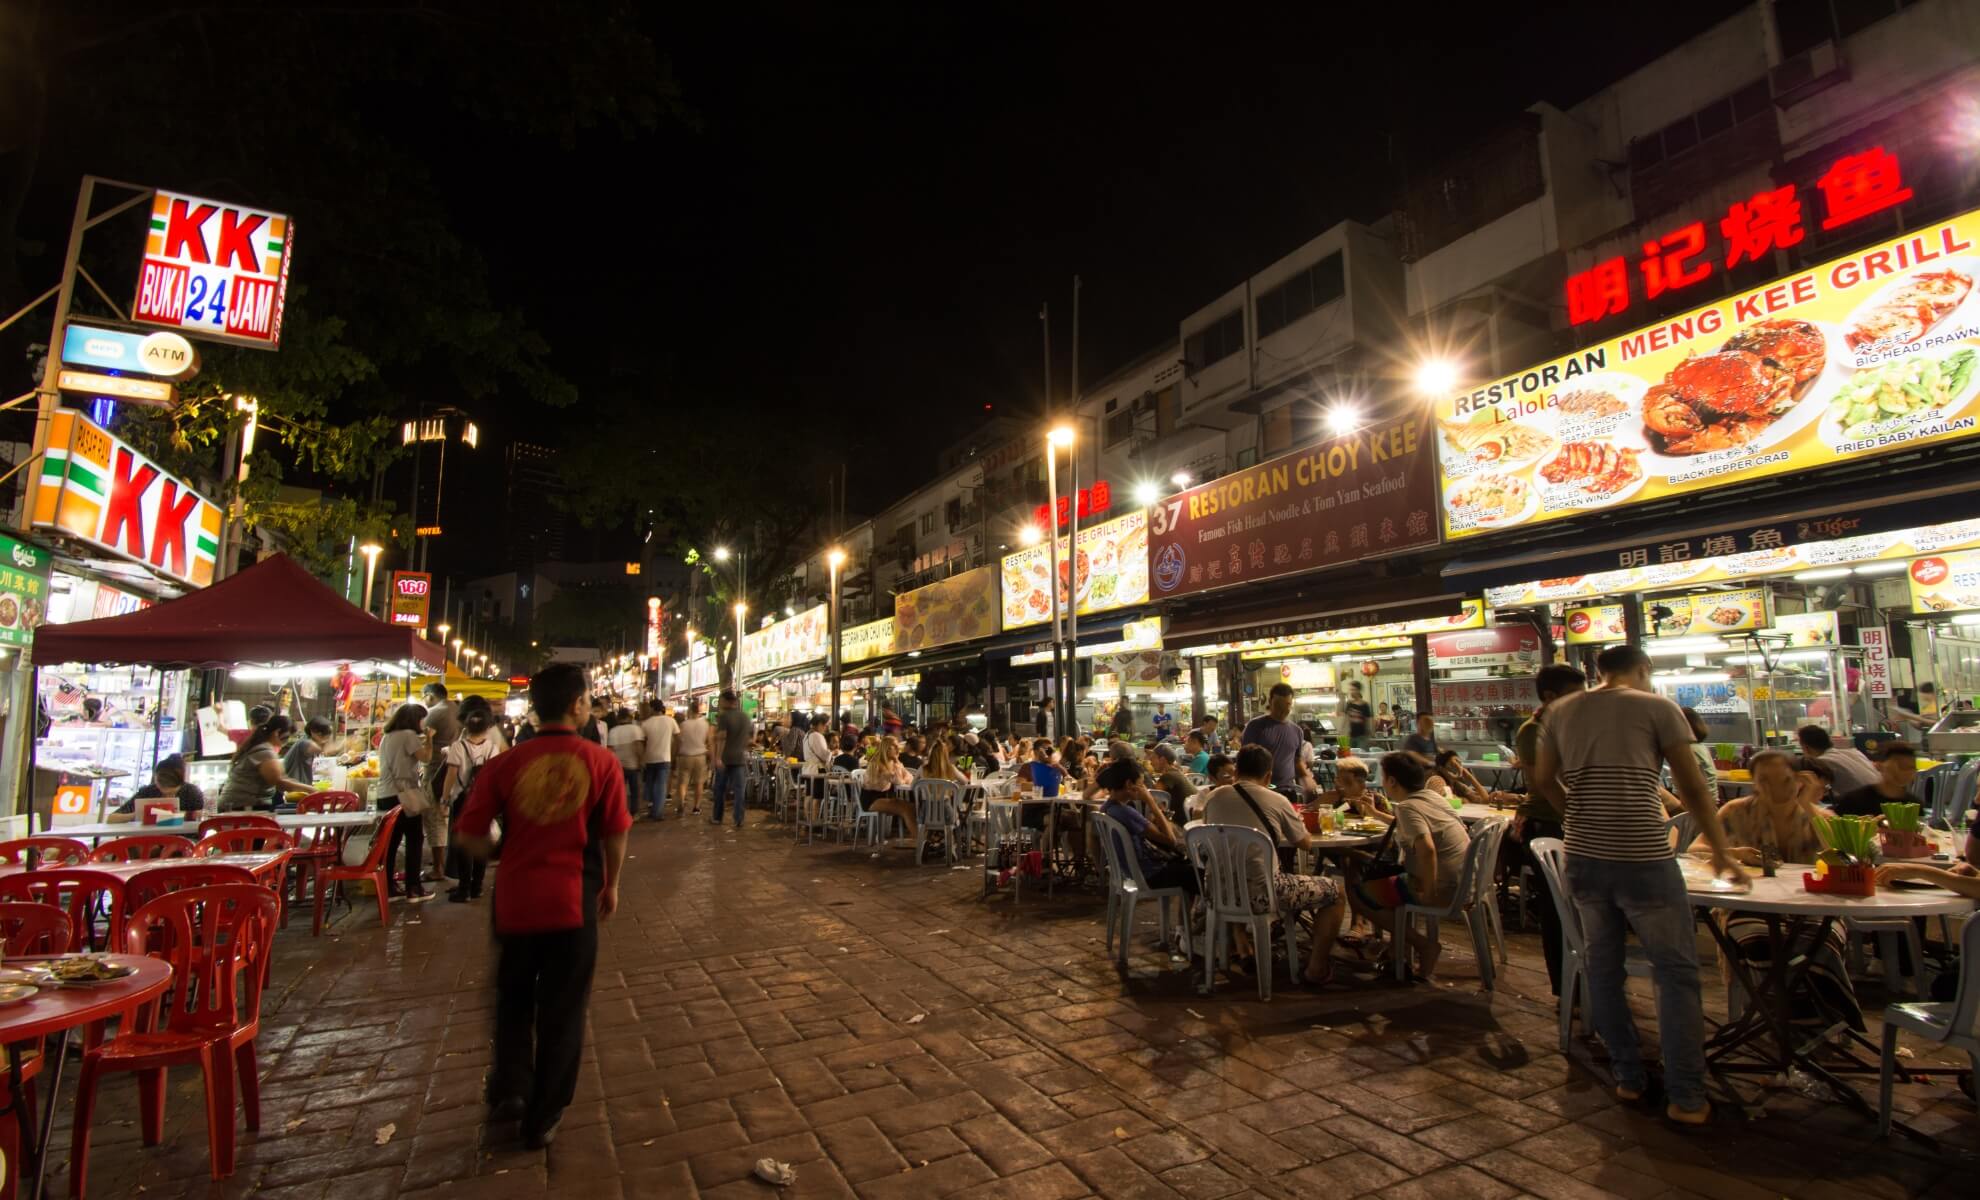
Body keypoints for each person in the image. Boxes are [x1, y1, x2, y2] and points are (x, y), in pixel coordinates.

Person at [1532, 644, 1741, 1126]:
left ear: (1597, 671)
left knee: (1603, 969)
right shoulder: (1657, 707)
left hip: (1583, 857)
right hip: (1644, 855)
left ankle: (1628, 1076)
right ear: (1643, 670)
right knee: (1677, 974)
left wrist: (1579, 817)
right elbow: (1691, 787)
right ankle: (1686, 1095)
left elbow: (1543, 779)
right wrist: (1724, 852)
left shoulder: (1560, 712)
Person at [455, 663, 629, 1149]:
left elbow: (467, 835)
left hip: (514, 902)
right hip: (573, 903)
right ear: (577, 705)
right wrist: (612, 884)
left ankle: (510, 1087)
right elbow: (616, 831)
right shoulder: (600, 762)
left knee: (512, 1001)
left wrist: (502, 853)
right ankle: (544, 1112)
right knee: (563, 1010)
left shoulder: (505, 765)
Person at [1704, 749, 1863, 1030]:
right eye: (1765, 780)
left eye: (1784, 780)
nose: (1775, 788)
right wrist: (1735, 853)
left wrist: (1807, 805)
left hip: (1813, 906)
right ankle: (1792, 1022)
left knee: (1821, 942)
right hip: (1750, 905)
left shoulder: (1818, 817)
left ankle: (1798, 1020)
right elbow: (1697, 850)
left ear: (1798, 780)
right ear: (1754, 782)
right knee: (1761, 941)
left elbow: (1841, 858)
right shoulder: (1735, 812)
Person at [1199, 748, 1348, 982]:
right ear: (1268, 776)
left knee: (1247, 872)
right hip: (1264, 893)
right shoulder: (1277, 800)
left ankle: (1240, 950)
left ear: (1236, 771)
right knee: (1336, 892)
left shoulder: (1213, 797)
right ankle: (1316, 967)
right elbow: (1305, 844)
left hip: (1217, 891)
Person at [1344, 751, 1472, 981]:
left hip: (1445, 888)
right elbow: (1412, 827)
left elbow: (1428, 848)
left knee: (1358, 894)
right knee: (1390, 881)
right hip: (1467, 882)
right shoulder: (1432, 798)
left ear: (1392, 781)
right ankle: (1398, 951)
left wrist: (1429, 893)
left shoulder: (1408, 808)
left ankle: (1423, 945)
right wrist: (1376, 814)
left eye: (1384, 777)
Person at [1510, 664, 1587, 999]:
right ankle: (1566, 986)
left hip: (1576, 820)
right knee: (1558, 909)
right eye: (1575, 696)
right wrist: (1579, 813)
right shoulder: (1533, 730)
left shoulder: (1579, 725)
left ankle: (1590, 978)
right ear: (1551, 697)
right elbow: (1542, 784)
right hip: (1547, 822)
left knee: (1583, 907)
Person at [1094, 758, 1196, 900]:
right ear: (1129, 784)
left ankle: (1186, 920)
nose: (1144, 789)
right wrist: (1151, 802)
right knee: (1201, 874)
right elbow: (1171, 841)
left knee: (1191, 871)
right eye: (1141, 784)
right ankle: (1198, 919)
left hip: (1128, 872)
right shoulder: (1126, 812)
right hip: (1150, 874)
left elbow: (1152, 831)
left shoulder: (1107, 808)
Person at [443, 697, 504, 902]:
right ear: (487, 726)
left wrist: (444, 799)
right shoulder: (491, 747)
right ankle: (477, 887)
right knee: (480, 841)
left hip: (462, 800)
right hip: (483, 800)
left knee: (463, 845)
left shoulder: (458, 747)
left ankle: (464, 888)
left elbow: (451, 775)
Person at [373, 703, 435, 898]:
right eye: (422, 718)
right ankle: (413, 887)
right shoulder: (409, 735)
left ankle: (388, 886)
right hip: (404, 794)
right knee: (415, 839)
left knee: (391, 842)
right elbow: (426, 758)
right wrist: (430, 739)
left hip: (385, 794)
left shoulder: (387, 737)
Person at [217, 715, 314, 811]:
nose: (287, 740)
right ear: (277, 732)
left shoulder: (260, 747)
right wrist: (312, 790)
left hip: (237, 805)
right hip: (241, 807)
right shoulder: (264, 752)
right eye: (287, 736)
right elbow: (280, 782)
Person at [1240, 682, 1305, 793]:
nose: (1282, 710)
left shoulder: (1297, 731)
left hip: (1287, 789)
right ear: (1270, 702)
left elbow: (1297, 761)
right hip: (1261, 789)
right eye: (1278, 705)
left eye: (1287, 705)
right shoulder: (1255, 726)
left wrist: (1306, 778)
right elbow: (1244, 759)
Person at [1833, 740, 1918, 817]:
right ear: (1878, 765)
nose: (1906, 772)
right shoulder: (1854, 801)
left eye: (1911, 767)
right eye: (1901, 766)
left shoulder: (1914, 805)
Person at [859, 736, 919, 842]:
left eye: (898, 746)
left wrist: (899, 768)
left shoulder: (890, 762)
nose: (898, 749)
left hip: (884, 797)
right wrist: (897, 763)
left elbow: (910, 778)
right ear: (886, 748)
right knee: (906, 809)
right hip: (871, 799)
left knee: (913, 807)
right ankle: (921, 841)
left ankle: (922, 839)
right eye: (894, 746)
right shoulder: (878, 763)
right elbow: (898, 781)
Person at [112, 754, 205, 822]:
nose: (168, 797)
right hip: (151, 840)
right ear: (155, 780)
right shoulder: (148, 792)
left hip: (184, 842)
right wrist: (136, 815)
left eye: (172, 793)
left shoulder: (192, 793)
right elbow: (112, 818)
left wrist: (176, 816)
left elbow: (204, 817)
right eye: (163, 792)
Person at [710, 689, 754, 828]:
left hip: (725, 758)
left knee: (720, 789)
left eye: (721, 700)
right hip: (739, 758)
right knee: (739, 790)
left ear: (727, 701)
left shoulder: (724, 716)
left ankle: (717, 817)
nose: (720, 703)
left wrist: (717, 758)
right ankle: (738, 818)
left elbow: (722, 736)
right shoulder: (745, 717)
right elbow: (748, 738)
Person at [1796, 724, 1878, 794]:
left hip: (1865, 806)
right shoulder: (1853, 752)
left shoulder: (1822, 762)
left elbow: (1816, 791)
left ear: (1806, 748)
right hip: (1883, 798)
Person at [636, 701, 677, 822]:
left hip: (650, 758)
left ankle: (654, 809)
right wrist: (673, 753)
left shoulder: (646, 724)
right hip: (665, 757)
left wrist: (642, 758)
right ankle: (657, 812)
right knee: (660, 785)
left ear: (652, 708)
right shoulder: (670, 721)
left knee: (651, 784)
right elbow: (678, 737)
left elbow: (642, 742)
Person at [279, 717, 334, 800]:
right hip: (288, 793)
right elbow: (322, 750)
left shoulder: (307, 741)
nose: (325, 739)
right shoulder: (304, 743)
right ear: (313, 732)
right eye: (323, 735)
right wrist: (345, 742)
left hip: (296, 791)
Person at [605, 709, 645, 818]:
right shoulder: (636, 729)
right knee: (635, 791)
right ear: (629, 717)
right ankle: (634, 813)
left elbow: (610, 750)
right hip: (633, 765)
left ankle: (620, 812)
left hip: (618, 766)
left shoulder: (613, 731)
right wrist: (641, 760)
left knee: (620, 791)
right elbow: (638, 746)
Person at [673, 700, 709, 816]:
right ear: (699, 711)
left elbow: (678, 741)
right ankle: (696, 807)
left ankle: (681, 805)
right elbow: (708, 740)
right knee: (699, 783)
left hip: (685, 756)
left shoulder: (683, 725)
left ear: (689, 711)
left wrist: (675, 754)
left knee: (683, 783)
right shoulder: (705, 724)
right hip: (700, 756)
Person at [1149, 744, 1195, 825]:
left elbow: (1152, 797)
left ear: (1162, 760)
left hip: (1181, 825)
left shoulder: (1168, 776)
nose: (1150, 762)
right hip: (1190, 821)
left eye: (1153, 758)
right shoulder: (1176, 772)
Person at [1679, 707, 1718, 798]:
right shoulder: (1700, 746)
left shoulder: (1690, 749)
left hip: (1700, 802)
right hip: (1709, 800)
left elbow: (1694, 784)